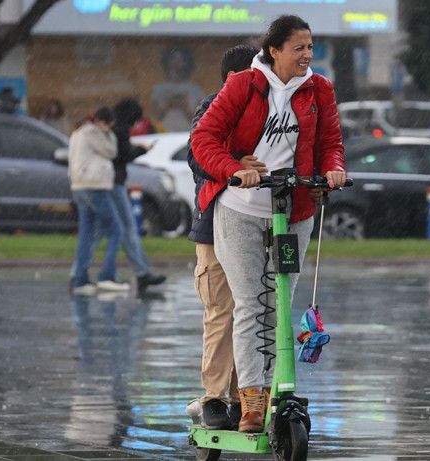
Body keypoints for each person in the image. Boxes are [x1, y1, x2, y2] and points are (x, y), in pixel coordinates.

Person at [191, 15, 346, 433]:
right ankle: (252, 403)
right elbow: (203, 140)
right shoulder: (243, 85)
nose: (307, 55)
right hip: (240, 210)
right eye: (299, 47)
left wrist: (332, 170)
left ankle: (279, 392)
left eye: (311, 47)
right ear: (274, 50)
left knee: (280, 305)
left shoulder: (319, 89)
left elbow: (331, 142)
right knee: (248, 305)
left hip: (293, 211)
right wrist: (232, 169)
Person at [184, 44, 258, 431]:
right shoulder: (213, 106)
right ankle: (214, 398)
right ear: (235, 77)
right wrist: (234, 164)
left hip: (253, 225)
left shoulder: (267, 107)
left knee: (250, 313)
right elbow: (197, 154)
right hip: (214, 227)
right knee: (221, 313)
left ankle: (239, 398)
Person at [68, 107, 129, 295]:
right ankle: (107, 276)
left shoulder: (78, 132)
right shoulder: (93, 132)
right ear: (103, 122)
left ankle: (80, 279)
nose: (111, 128)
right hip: (94, 186)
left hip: (79, 186)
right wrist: (108, 133)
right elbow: (111, 151)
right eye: (109, 125)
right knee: (116, 230)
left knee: (86, 233)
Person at [110, 97, 167, 291]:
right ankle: (142, 273)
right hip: (114, 183)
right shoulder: (121, 129)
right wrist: (142, 150)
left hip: (106, 182)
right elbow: (122, 155)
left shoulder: (112, 125)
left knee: (103, 232)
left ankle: (84, 274)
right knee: (126, 229)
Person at [151, 45, 205, 132]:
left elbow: (201, 121)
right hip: (163, 135)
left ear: (187, 63)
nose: (176, 64)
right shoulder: (159, 89)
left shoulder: (195, 90)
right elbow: (155, 119)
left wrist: (185, 107)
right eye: (173, 59)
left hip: (188, 135)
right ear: (167, 62)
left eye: (181, 60)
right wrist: (168, 104)